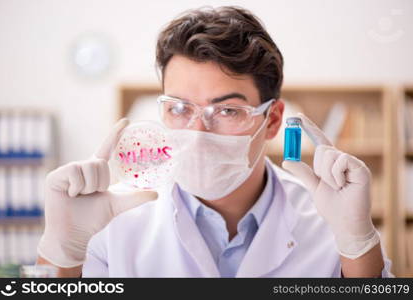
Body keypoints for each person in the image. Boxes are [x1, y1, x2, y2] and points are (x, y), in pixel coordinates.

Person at [36, 6, 392, 277]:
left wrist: (356, 241)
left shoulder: (327, 218)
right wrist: (62, 251)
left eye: (227, 111)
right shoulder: (111, 221)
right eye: (178, 108)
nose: (197, 132)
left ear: (272, 120)